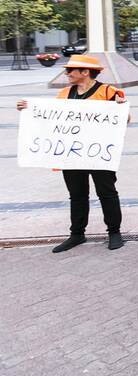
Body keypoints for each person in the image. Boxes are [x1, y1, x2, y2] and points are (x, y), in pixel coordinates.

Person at [16, 55, 129, 253]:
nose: (67, 74)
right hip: (72, 154)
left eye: (70, 70)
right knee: (77, 195)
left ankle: (114, 232)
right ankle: (77, 234)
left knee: (107, 192)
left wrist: (121, 108)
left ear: (85, 72)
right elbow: (50, 117)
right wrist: (28, 109)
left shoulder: (108, 92)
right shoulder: (64, 94)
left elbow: (125, 119)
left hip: (99, 153)